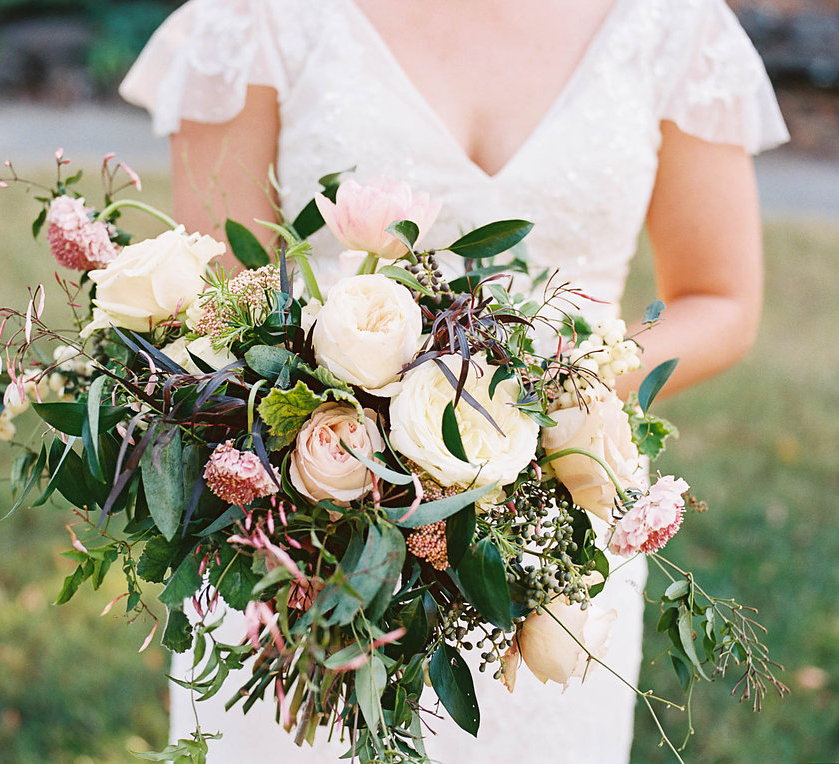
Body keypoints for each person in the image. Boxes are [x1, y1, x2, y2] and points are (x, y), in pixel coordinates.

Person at [119, 0, 789, 761]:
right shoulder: (250, 18)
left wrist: (551, 399)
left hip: (553, 544)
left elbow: (720, 298)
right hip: (305, 529)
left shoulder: (675, 26)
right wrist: (360, 423)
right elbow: (219, 288)